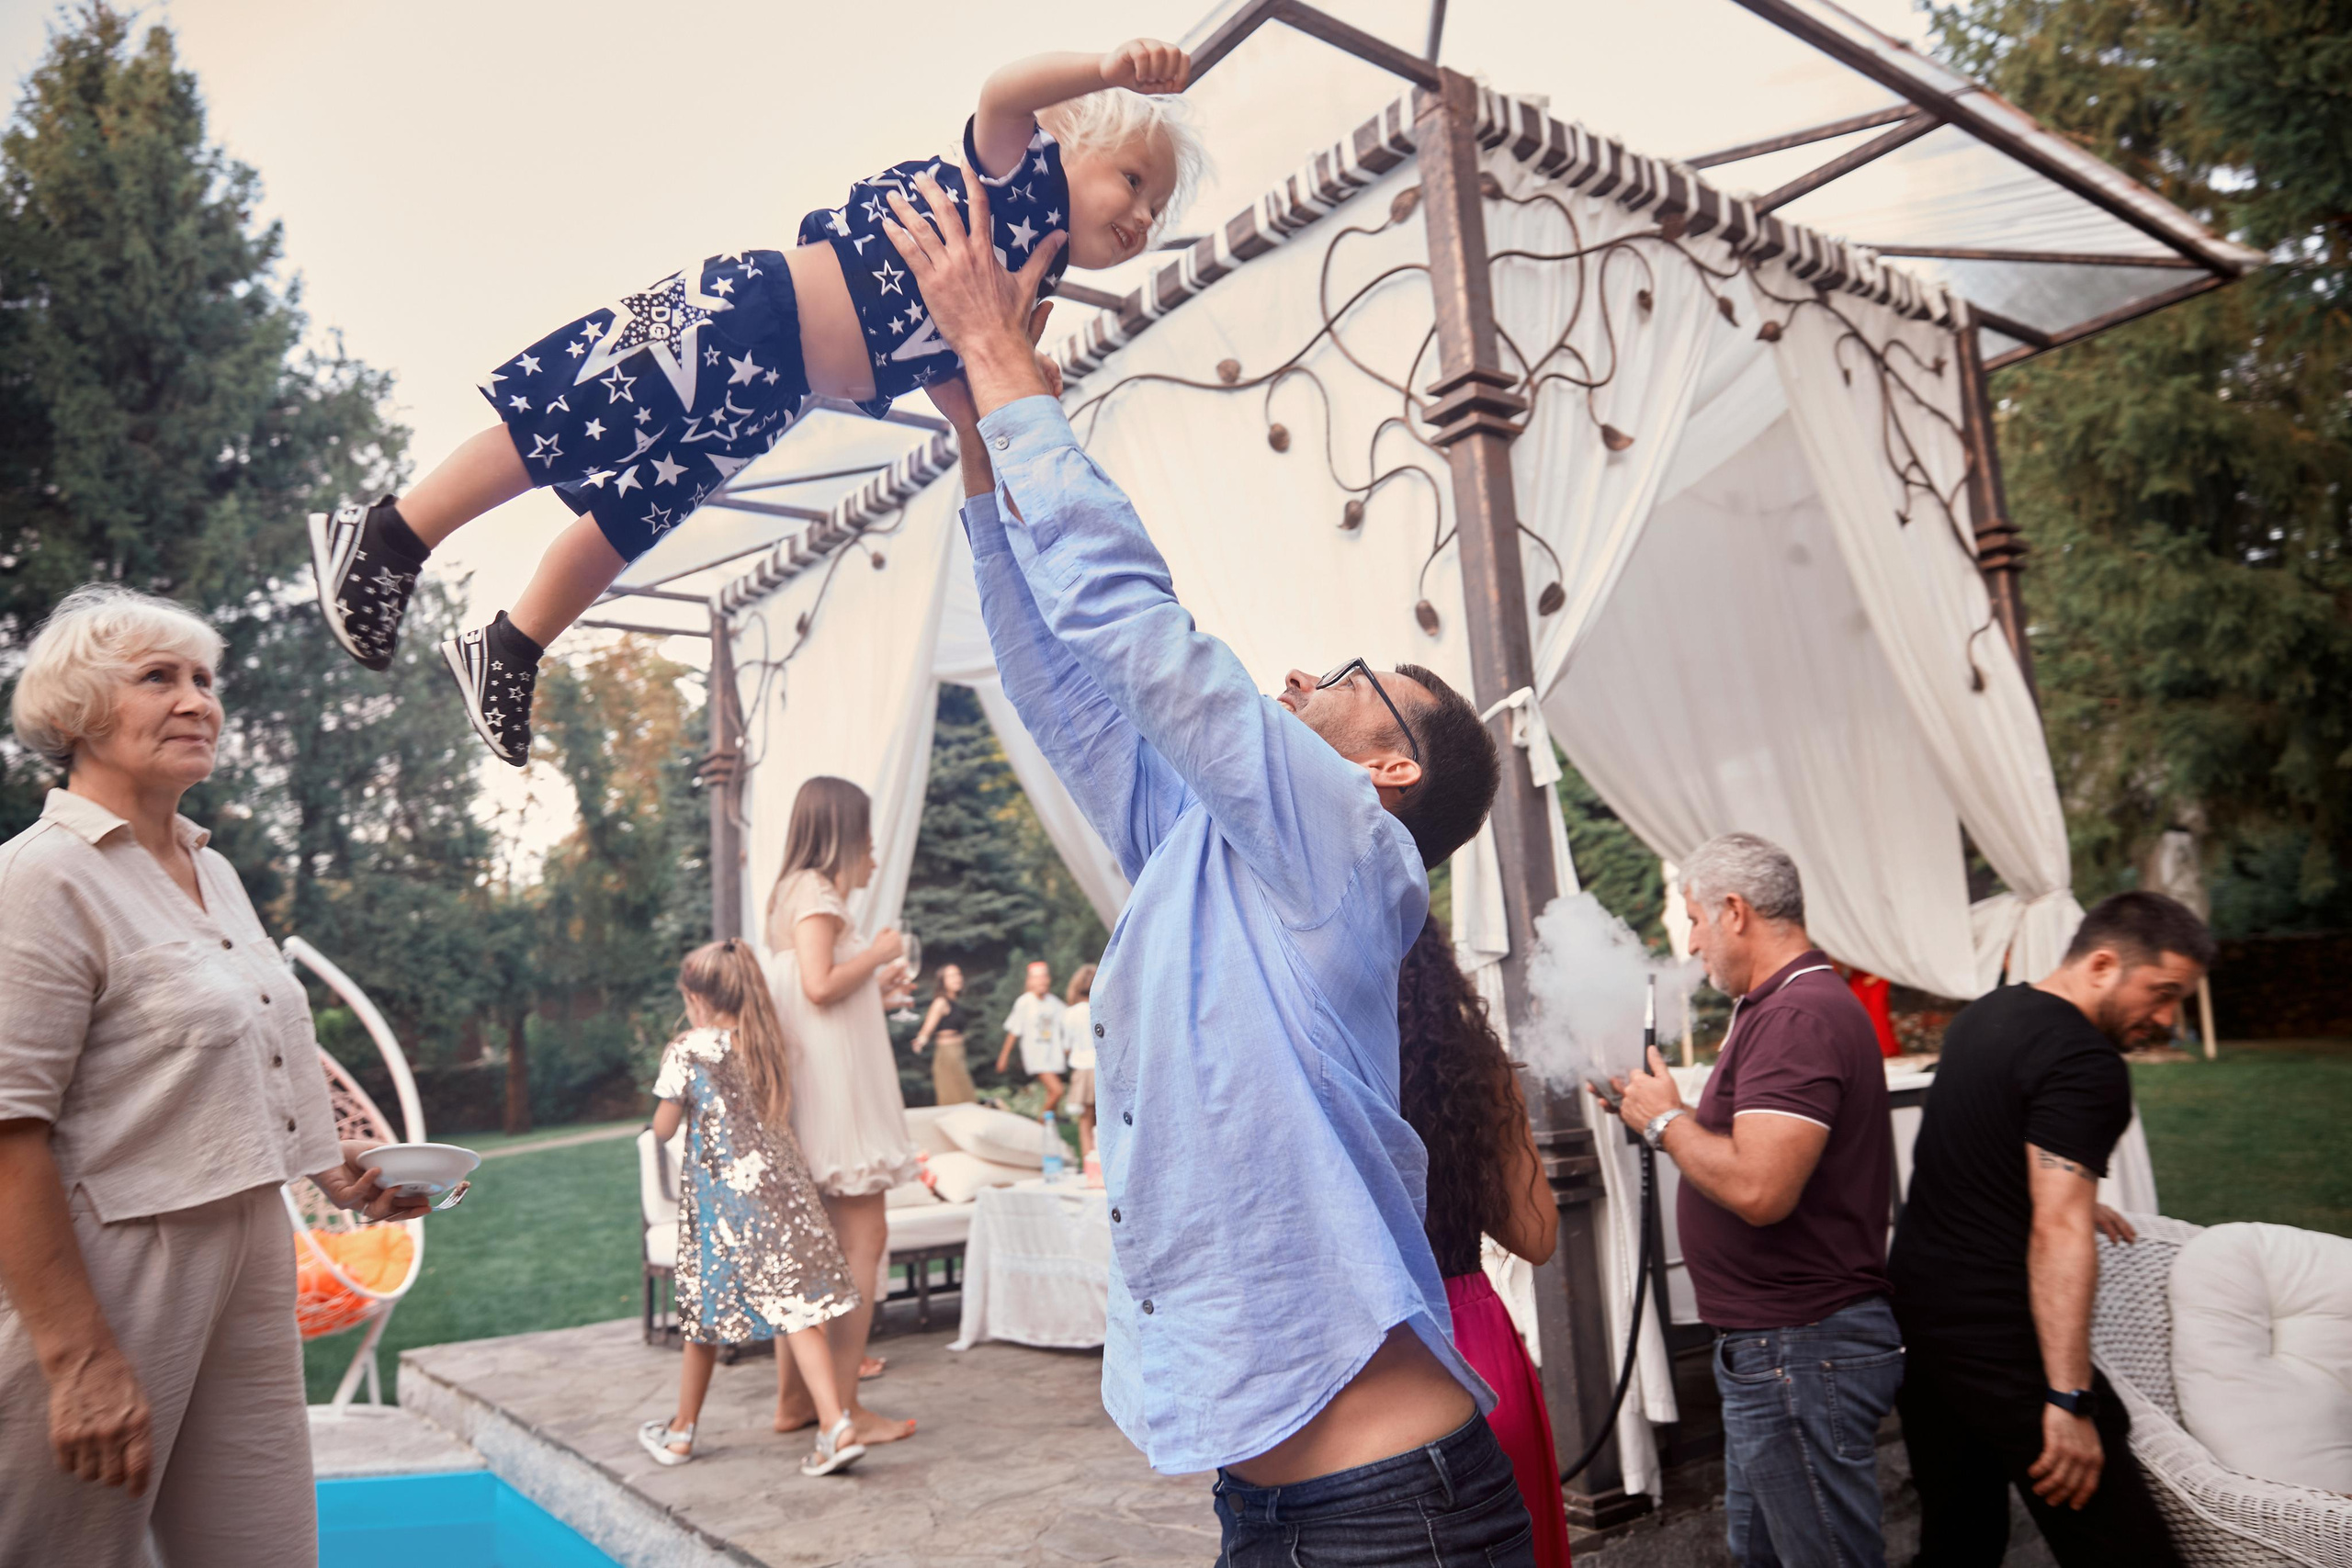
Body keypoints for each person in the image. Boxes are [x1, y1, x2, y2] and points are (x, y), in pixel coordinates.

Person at [888, 175, 1529, 1564]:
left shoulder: (1354, 852)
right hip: (1272, 1506)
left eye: (1348, 679)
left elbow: (1143, 632)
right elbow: (1067, 679)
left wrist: (1010, 366)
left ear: (1390, 770)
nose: (1302, 675)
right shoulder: (1205, 853)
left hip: (1392, 1514)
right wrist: (981, 452)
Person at [305, 40, 1203, 768]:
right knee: (562, 428)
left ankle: (513, 644)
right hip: (735, 306)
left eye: (1158, 211)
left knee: (632, 519)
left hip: (777, 394)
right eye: (1133, 180)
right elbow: (1002, 89)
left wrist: (991, 396)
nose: (1143, 217)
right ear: (1066, 142)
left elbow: (936, 364)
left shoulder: (1025, 287)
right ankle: (390, 533)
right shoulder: (1013, 177)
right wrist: (1110, 71)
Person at [0, 585, 435, 1566]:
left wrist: (337, 1167)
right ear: (76, 713)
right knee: (65, 1549)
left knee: (263, 1547)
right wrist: (77, 1358)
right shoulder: (39, 878)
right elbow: (9, 1128)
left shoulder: (213, 869)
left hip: (250, 1248)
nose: (200, 700)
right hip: (112, 1268)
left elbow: (251, 1057)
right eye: (161, 678)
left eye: (206, 679)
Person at [1599, 831, 1902, 1568]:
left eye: (1696, 919)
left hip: (1798, 1348)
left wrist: (1665, 1123)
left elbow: (1761, 1189)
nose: (1694, 942)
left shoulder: (1796, 1017)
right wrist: (1654, 1108)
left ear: (1735, 910)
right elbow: (1744, 1152)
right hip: (1779, 1348)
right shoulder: (1782, 1006)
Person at [1890, 891, 2209, 1567]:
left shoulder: (1986, 1015)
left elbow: (1975, 1143)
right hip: (2001, 1342)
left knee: (1959, 1538)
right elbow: (2057, 1232)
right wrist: (2069, 1398)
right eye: (2161, 992)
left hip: (1922, 1320)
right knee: (2127, 1551)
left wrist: (2063, 1191)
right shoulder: (2085, 1064)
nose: (2166, 1017)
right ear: (2101, 964)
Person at [639, 940, 865, 1477]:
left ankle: (680, 1435)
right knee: (798, 1313)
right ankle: (836, 1424)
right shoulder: (767, 1042)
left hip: (725, 1207)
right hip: (785, 1196)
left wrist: (662, 1120)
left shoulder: (689, 1049)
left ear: (695, 996)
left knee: (701, 1317)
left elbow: (664, 1128)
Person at [1397, 921, 1574, 1568]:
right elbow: (1536, 1233)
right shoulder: (1473, 1065)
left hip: (1371, 1353)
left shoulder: (1313, 1060)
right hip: (1476, 1347)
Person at [763, 775, 921, 1446]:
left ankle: (798, 1402)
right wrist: (880, 953)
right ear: (842, 834)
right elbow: (820, 987)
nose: (875, 853)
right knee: (864, 1241)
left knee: (816, 1250)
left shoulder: (795, 891)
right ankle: (847, 1407)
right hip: (839, 1100)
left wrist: (878, 986)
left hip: (825, 1085)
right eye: (868, 838)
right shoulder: (817, 894)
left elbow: (817, 995)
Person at [996, 959, 1067, 1108]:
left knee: (1051, 1094)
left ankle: (1048, 1126)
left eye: (1044, 977)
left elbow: (1069, 1020)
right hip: (1037, 1055)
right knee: (1057, 1090)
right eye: (1037, 978)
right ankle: (1040, 1124)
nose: (1042, 981)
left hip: (1053, 1054)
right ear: (1030, 981)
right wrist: (1004, 1057)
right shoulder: (1024, 1002)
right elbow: (1013, 1031)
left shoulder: (1054, 1002)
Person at [910, 964, 978, 1105]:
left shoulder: (955, 1002)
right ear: (943, 981)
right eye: (952, 976)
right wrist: (921, 1040)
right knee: (954, 1095)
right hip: (948, 1054)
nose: (957, 978)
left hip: (957, 1052)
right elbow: (928, 1028)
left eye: (958, 974)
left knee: (964, 1094)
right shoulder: (941, 1002)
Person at [1059, 964, 1099, 1158]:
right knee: (1105, 1119)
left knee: (1085, 1120)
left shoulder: (1070, 1014)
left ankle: (1089, 1164)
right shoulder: (1100, 1008)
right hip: (1102, 1068)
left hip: (1083, 1068)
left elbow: (1066, 1046)